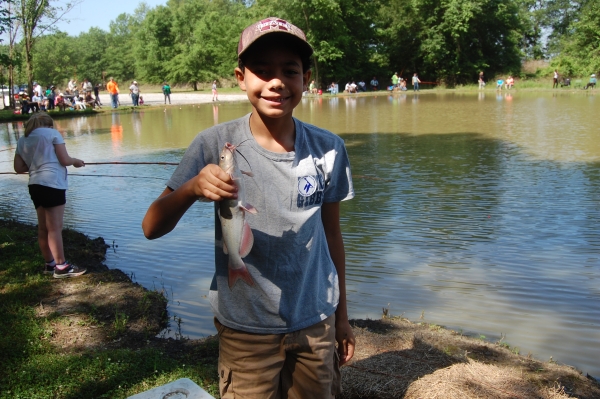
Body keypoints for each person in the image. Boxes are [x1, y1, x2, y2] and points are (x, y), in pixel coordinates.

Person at [142, 16, 355, 398]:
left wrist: (342, 316)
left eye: (290, 71)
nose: (276, 82)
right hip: (246, 329)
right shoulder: (214, 142)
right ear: (240, 77)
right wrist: (191, 188)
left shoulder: (329, 149)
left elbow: (332, 235)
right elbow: (151, 227)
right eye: (261, 70)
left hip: (315, 322)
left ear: (306, 79)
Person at [13, 113, 87, 278]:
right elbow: (65, 159)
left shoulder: (22, 139)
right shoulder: (52, 133)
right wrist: (76, 161)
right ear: (48, 124)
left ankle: (49, 264)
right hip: (52, 183)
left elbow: (18, 168)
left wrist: (37, 164)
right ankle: (61, 267)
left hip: (34, 184)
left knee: (43, 228)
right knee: (55, 227)